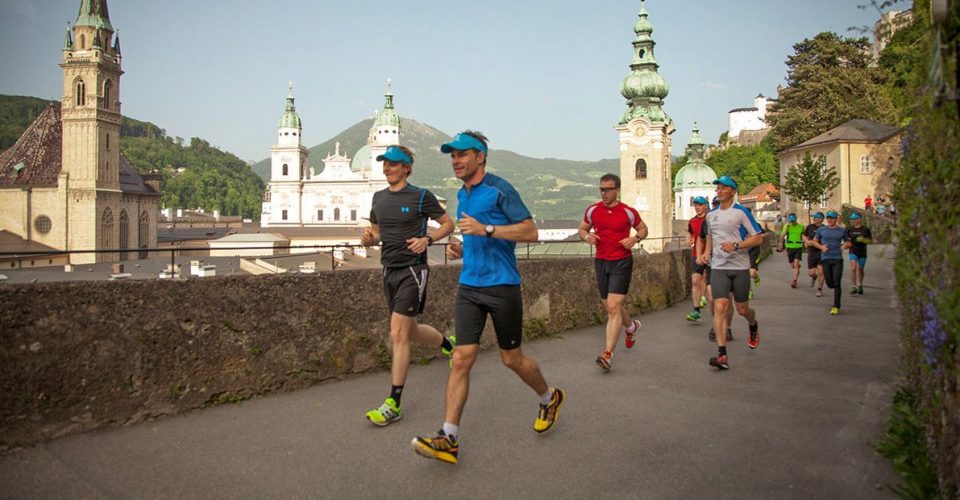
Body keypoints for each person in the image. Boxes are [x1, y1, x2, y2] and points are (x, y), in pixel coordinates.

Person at [411, 131, 564, 465]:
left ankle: (549, 397)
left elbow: (530, 231)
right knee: (462, 358)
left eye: (462, 154)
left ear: (480, 156)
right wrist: (464, 247)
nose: (456, 160)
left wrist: (488, 230)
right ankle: (448, 437)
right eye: (452, 156)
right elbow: (475, 235)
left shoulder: (500, 189)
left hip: (502, 285)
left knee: (512, 359)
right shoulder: (461, 195)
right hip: (469, 286)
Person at [361, 145, 457, 427]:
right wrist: (368, 239)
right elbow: (376, 233)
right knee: (409, 329)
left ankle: (394, 402)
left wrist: (427, 240)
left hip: (413, 271)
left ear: (406, 167)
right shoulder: (378, 198)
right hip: (388, 269)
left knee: (398, 333)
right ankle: (448, 345)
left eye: (393, 163)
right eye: (384, 163)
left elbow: (447, 224)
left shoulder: (420, 196)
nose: (387, 167)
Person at [578, 173, 647, 371]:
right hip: (601, 261)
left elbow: (643, 229)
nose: (604, 193)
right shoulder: (592, 210)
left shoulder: (628, 212)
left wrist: (635, 239)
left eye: (608, 189)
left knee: (614, 305)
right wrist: (586, 236)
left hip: (621, 261)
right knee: (609, 306)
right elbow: (582, 229)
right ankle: (631, 327)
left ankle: (607, 354)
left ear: (617, 190)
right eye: (601, 189)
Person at [697, 176, 763, 370]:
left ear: (733, 191)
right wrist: (706, 254)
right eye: (718, 187)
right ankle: (722, 354)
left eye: (724, 187)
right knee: (719, 307)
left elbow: (758, 238)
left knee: (743, 309)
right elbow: (710, 237)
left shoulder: (741, 212)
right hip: (718, 267)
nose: (720, 190)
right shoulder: (711, 215)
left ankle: (753, 325)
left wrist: (736, 245)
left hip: (739, 267)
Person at [812, 210, 851, 315]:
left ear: (836, 219)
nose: (830, 220)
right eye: (828, 218)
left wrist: (844, 246)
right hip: (826, 258)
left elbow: (848, 242)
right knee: (830, 283)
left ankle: (836, 306)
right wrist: (821, 247)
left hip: (838, 258)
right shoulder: (821, 230)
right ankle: (831, 286)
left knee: (837, 283)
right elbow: (814, 241)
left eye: (832, 218)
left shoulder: (841, 230)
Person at [685, 196, 710, 322]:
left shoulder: (711, 219)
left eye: (699, 205)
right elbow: (690, 232)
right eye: (695, 205)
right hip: (697, 254)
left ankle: (717, 315)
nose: (697, 207)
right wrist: (688, 238)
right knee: (695, 280)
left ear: (706, 206)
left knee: (709, 281)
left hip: (712, 254)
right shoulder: (692, 221)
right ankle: (696, 310)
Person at [845, 213, 872, 295]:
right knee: (853, 268)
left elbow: (870, 241)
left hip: (862, 252)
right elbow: (846, 240)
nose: (852, 221)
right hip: (853, 251)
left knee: (860, 269)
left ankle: (860, 285)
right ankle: (853, 287)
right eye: (851, 219)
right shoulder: (849, 229)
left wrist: (862, 240)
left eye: (854, 219)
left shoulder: (865, 229)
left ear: (859, 219)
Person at [803, 212, 826, 297]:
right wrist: (806, 241)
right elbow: (804, 236)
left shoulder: (825, 228)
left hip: (821, 251)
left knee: (821, 271)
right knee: (811, 273)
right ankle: (814, 277)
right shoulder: (810, 227)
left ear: (821, 219)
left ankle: (819, 289)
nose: (814, 219)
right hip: (812, 252)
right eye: (814, 217)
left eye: (816, 217)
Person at [779, 213, 805, 288]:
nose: (792, 222)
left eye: (793, 220)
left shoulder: (801, 227)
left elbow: (803, 236)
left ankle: (794, 280)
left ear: (796, 219)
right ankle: (796, 268)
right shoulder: (786, 226)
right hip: (789, 247)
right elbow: (782, 236)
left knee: (796, 264)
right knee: (793, 265)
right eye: (791, 221)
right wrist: (786, 228)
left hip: (798, 246)